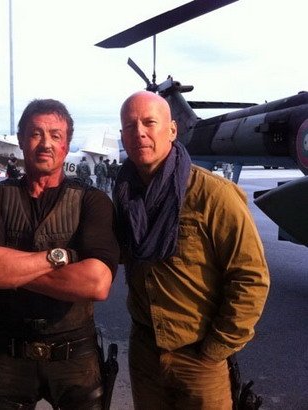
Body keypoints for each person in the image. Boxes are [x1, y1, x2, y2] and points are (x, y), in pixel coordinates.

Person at [114, 91, 270, 409]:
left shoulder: (214, 195)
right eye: (130, 126)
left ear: (172, 130)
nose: (139, 132)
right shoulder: (125, 197)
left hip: (199, 359)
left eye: (149, 122)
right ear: (123, 136)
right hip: (145, 353)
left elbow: (250, 278)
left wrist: (215, 349)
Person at [0, 99, 120, 409]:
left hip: (76, 355)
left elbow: (96, 283)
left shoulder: (93, 202)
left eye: (55, 135)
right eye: (35, 133)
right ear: (22, 140)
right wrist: (64, 257)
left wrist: (10, 271)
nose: (46, 143)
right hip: (9, 352)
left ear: (66, 144)